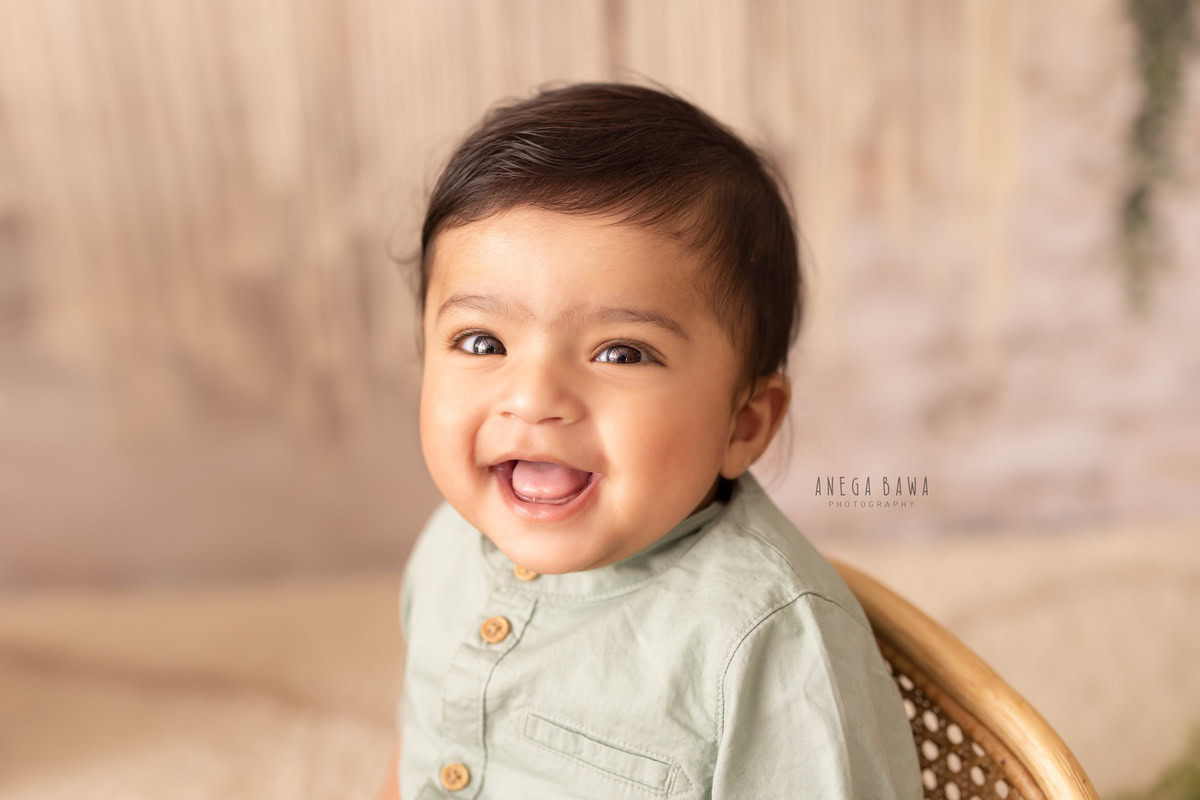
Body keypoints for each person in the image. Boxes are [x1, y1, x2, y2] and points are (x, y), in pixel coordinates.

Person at [378, 81, 922, 799]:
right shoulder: (449, 546)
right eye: (482, 341)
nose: (534, 398)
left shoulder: (765, 645)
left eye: (621, 353)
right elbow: (423, 749)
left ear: (745, 424)